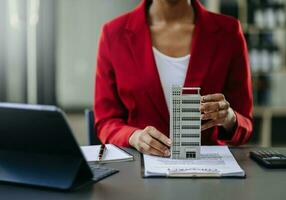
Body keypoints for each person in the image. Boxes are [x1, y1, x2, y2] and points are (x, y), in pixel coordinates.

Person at [94, 0, 253, 157]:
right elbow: (106, 122)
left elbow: (245, 124)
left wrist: (229, 118)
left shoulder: (228, 32)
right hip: (139, 168)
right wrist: (133, 136)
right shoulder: (114, 34)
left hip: (207, 169)